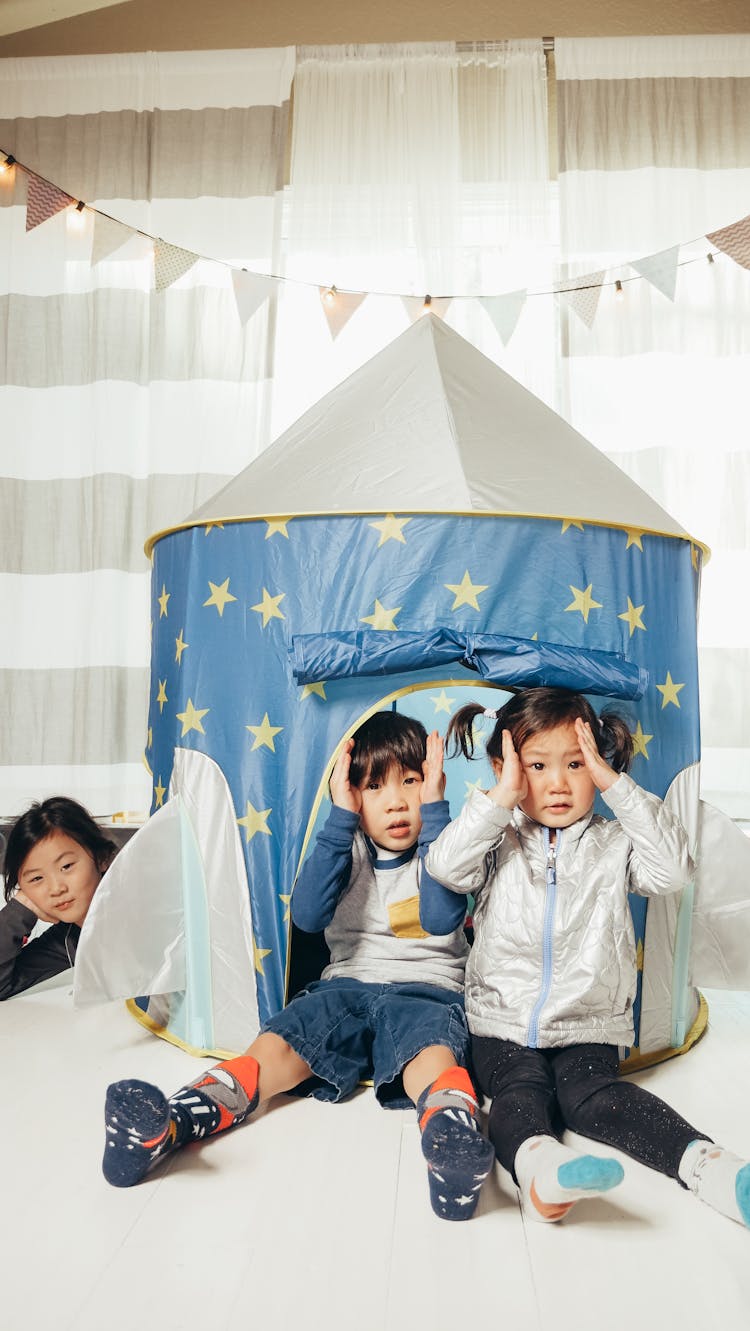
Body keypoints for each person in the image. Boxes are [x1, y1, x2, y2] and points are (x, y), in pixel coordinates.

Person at [102, 711, 495, 1220]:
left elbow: (443, 920)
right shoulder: (347, 844)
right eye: (375, 786)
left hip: (429, 989)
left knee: (431, 1056)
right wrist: (340, 819)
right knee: (281, 1043)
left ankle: (451, 1145)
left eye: (411, 781)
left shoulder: (448, 844)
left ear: (431, 784)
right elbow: (307, 915)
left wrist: (437, 812)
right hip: (347, 984)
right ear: (354, 794)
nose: (397, 800)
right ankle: (171, 1124)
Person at [425, 687, 750, 1228]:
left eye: (575, 764)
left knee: (596, 1098)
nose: (557, 783)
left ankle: (710, 1167)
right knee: (519, 1092)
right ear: (508, 769)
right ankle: (543, 1169)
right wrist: (501, 796)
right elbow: (446, 867)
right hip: (501, 1022)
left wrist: (615, 786)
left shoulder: (616, 842)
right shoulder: (496, 837)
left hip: (589, 1022)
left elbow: (673, 869)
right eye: (537, 766)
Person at [0, 796, 117, 1000]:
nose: (56, 888)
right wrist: (20, 910)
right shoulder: (68, 939)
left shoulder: (140, 909)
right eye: (36, 878)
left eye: (67, 866)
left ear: (101, 858)